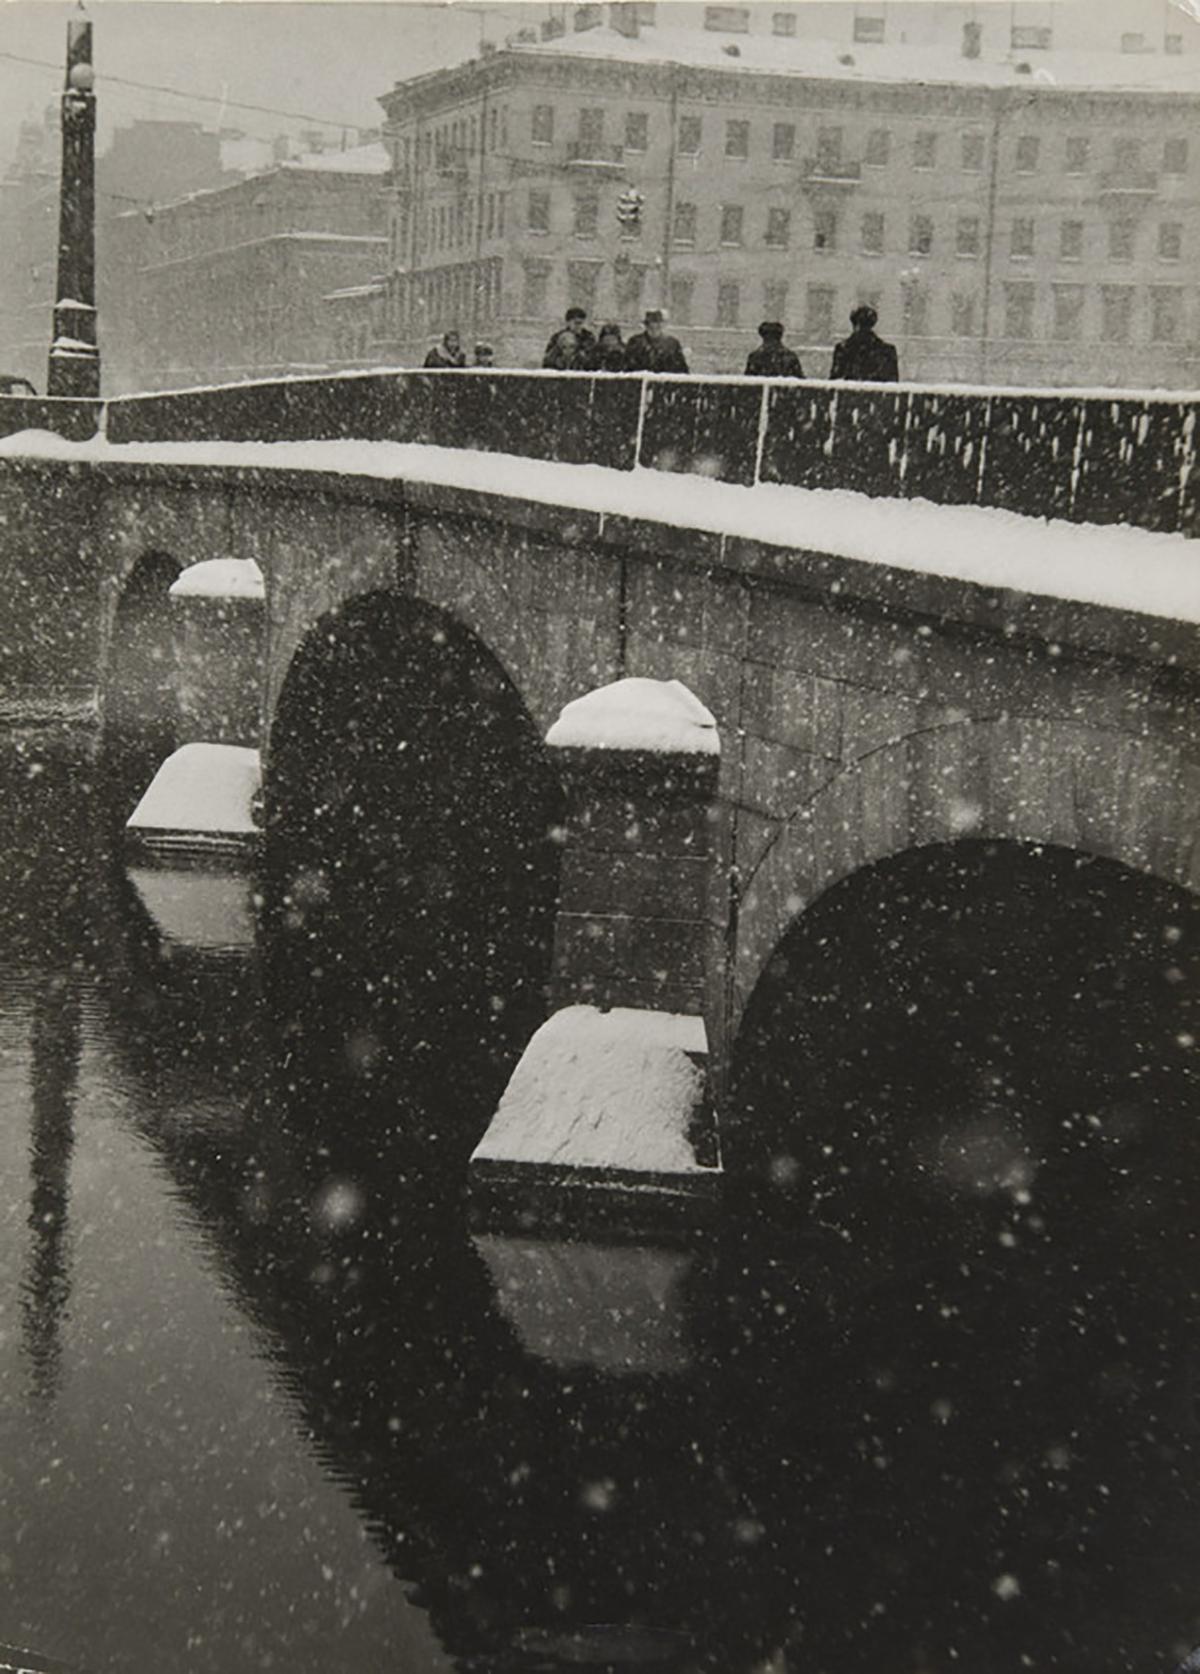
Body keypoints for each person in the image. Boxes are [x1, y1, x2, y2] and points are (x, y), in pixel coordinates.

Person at [829, 304, 899, 383]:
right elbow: (892, 385)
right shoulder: (886, 351)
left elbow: (835, 383)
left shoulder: (843, 350)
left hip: (850, 394)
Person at [623, 309, 688, 374]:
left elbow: (681, 371)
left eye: (657, 326)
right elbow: (628, 369)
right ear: (646, 326)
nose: (654, 329)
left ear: (661, 326)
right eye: (650, 326)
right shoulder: (635, 343)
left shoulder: (672, 345)